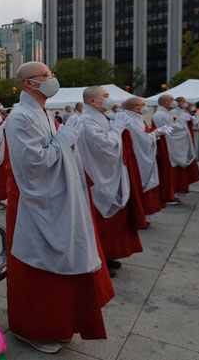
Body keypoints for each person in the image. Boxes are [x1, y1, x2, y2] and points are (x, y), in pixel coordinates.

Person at [4, 62, 113, 353]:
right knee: (38, 266)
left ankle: (59, 323)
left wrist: (65, 142)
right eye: (47, 76)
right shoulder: (20, 117)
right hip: (37, 203)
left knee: (62, 264)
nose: (53, 80)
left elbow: (54, 153)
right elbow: (33, 164)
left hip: (58, 199)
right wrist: (64, 140)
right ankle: (32, 329)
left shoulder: (43, 112)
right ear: (29, 83)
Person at [77, 86, 144, 274]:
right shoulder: (86, 121)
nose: (109, 99)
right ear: (92, 101)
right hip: (98, 176)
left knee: (114, 222)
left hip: (110, 173)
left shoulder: (101, 117)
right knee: (99, 222)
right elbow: (104, 145)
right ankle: (99, 259)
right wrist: (117, 130)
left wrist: (116, 128)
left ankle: (108, 254)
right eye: (105, 96)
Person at [123, 96, 167, 217]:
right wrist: (155, 134)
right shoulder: (130, 121)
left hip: (140, 153)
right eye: (142, 104)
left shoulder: (136, 118)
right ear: (134, 107)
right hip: (137, 157)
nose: (145, 107)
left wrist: (153, 134)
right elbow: (141, 140)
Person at [153, 94, 199, 196]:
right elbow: (169, 130)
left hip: (173, 145)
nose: (174, 102)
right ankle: (168, 194)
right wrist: (181, 121)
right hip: (167, 147)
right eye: (172, 100)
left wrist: (184, 121)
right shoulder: (159, 114)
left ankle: (175, 192)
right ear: (165, 103)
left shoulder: (167, 113)